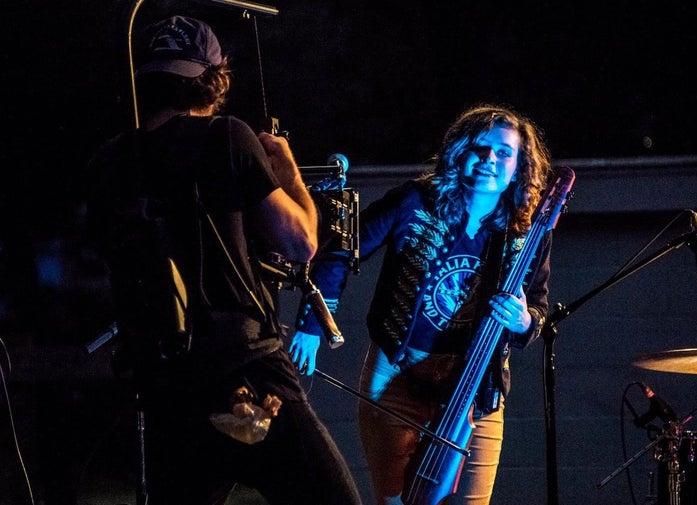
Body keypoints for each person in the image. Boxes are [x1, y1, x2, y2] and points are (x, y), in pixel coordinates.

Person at [85, 15, 362, 505]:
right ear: (212, 80)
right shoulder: (227, 136)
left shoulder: (110, 160)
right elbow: (300, 242)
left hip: (164, 382)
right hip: (245, 368)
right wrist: (287, 168)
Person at [291, 103, 553, 504]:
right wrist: (313, 323)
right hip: (397, 374)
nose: (489, 160)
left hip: (475, 387)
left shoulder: (529, 228)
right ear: (458, 152)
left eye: (504, 152)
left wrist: (522, 320)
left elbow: (538, 307)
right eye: (480, 148)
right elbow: (342, 249)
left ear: (519, 166)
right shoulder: (415, 200)